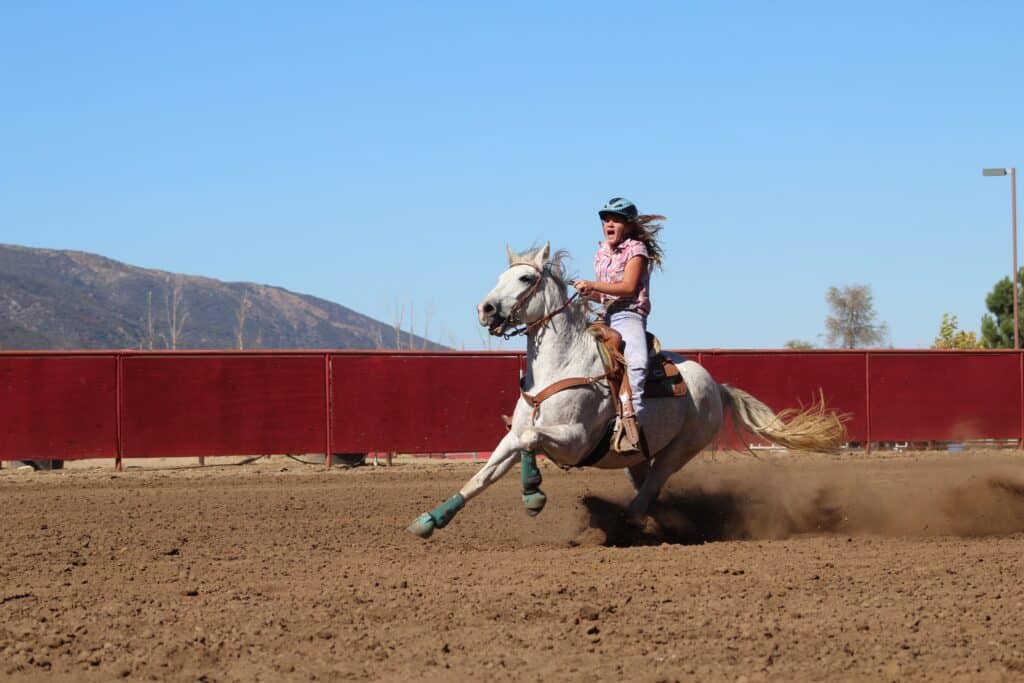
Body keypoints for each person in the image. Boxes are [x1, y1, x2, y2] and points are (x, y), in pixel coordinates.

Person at [573, 197, 665, 450]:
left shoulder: (637, 250)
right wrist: (586, 292)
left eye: (615, 219)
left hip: (629, 314)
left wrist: (592, 285)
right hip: (606, 315)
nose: (608, 224)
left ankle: (630, 420)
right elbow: (605, 294)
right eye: (605, 220)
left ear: (629, 225)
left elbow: (627, 288)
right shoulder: (601, 252)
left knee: (636, 362)